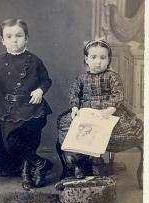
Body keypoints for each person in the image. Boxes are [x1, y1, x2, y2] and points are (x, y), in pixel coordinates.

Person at [0, 18, 52, 189]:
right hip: (10, 109)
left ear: (26, 38)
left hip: (32, 107)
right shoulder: (0, 61)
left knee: (29, 139)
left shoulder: (34, 61)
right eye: (9, 36)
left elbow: (46, 80)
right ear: (2, 41)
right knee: (11, 142)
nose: (14, 40)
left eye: (18, 35)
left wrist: (40, 90)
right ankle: (41, 164)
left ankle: (27, 173)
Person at [57, 39, 143, 179]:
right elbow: (74, 94)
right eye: (93, 57)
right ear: (86, 59)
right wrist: (74, 108)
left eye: (103, 58)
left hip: (107, 111)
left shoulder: (112, 77)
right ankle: (80, 163)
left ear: (108, 59)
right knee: (73, 128)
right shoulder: (81, 78)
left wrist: (109, 110)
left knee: (108, 130)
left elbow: (118, 94)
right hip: (87, 111)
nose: (98, 62)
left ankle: (92, 163)